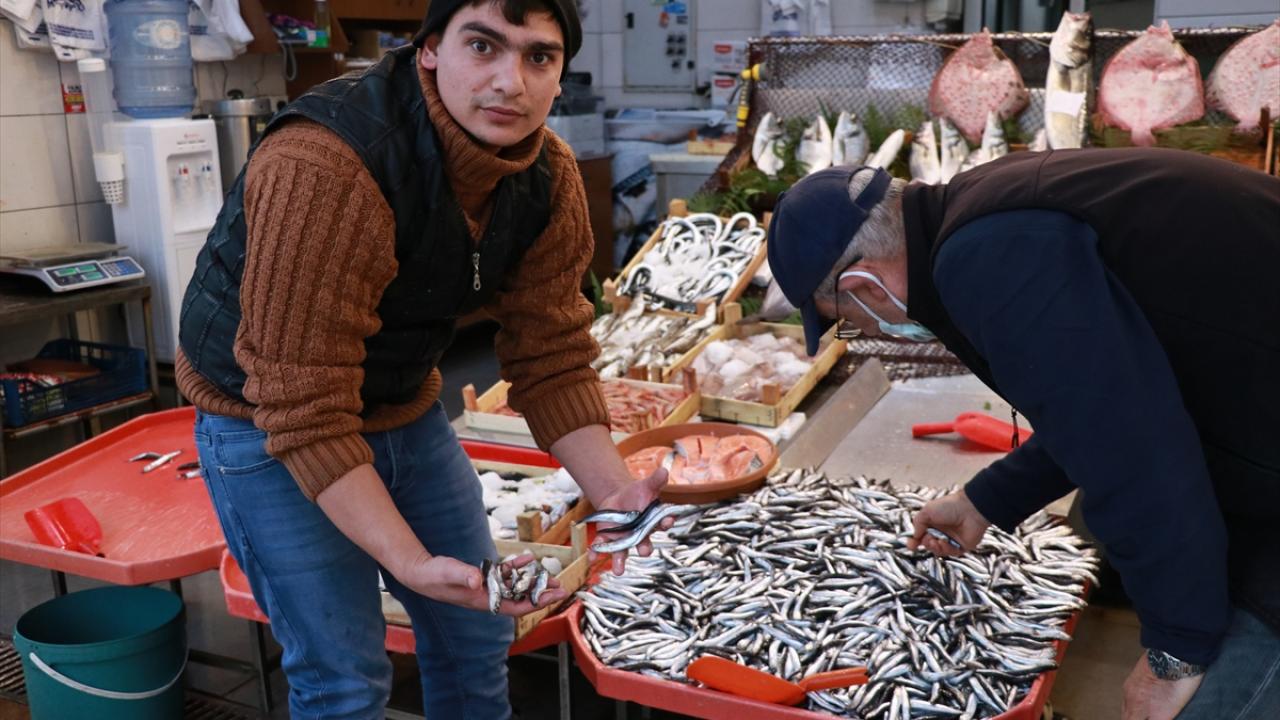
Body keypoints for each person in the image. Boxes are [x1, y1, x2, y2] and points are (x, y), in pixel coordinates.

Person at [176, 1, 667, 716]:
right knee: (345, 681)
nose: (511, 82)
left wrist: (620, 497)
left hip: (401, 403)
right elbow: (303, 404)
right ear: (429, 49)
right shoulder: (328, 162)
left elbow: (552, 354)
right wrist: (406, 561)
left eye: (539, 56)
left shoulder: (546, 177)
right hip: (264, 418)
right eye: (483, 46)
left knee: (475, 638)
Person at [765, 150, 1280, 720]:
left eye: (840, 316)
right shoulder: (985, 216)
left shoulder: (987, 258)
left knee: (1208, 704)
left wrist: (1174, 654)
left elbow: (1131, 452)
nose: (856, 328)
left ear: (863, 285)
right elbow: (1095, 402)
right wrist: (987, 500)